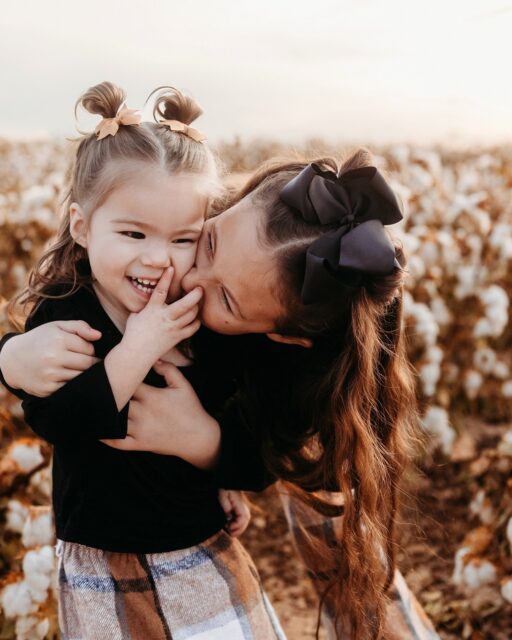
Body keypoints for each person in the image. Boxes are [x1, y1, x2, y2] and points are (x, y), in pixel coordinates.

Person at [0, 145, 440, 638]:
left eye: (225, 299)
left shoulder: (277, 347)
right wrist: (11, 357)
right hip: (108, 557)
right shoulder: (147, 253)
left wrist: (204, 443)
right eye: (204, 243)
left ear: (279, 334)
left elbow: (263, 451)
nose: (188, 277)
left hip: (207, 543)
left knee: (336, 530)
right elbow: (57, 411)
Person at [0, 81, 286, 640]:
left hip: (202, 549)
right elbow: (60, 422)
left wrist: (217, 459)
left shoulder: (200, 313)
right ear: (82, 228)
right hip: (104, 562)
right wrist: (136, 349)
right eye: (133, 233)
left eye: (183, 239)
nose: (158, 259)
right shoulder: (65, 315)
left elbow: (254, 442)